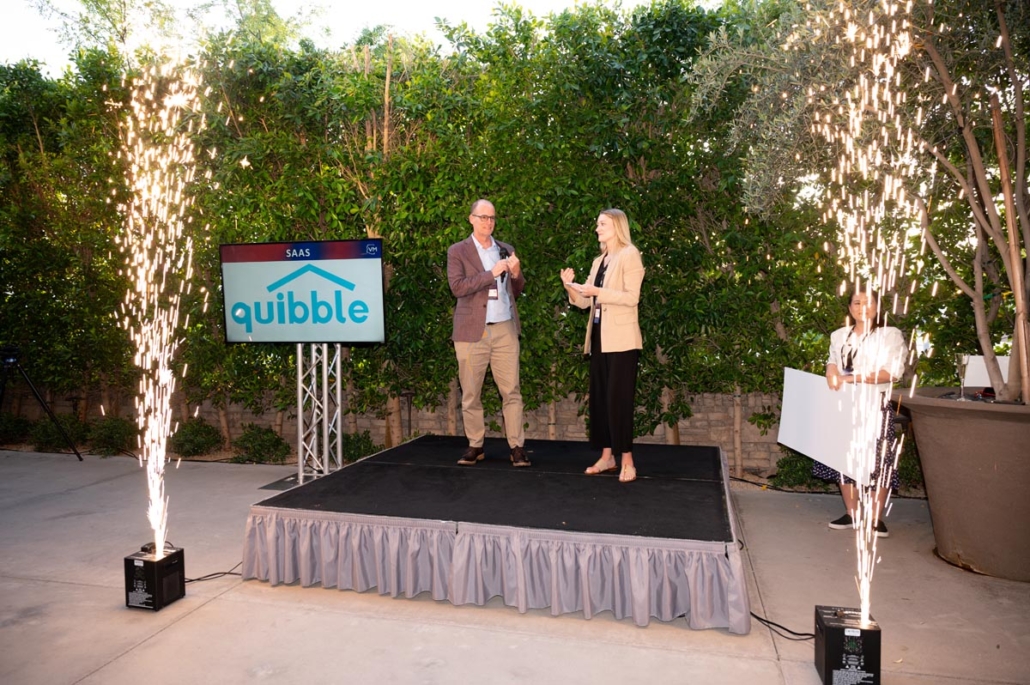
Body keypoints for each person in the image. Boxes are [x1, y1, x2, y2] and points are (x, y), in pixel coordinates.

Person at [561, 208, 645, 483]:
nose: (597, 228)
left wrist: (598, 292)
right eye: (597, 224)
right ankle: (607, 456)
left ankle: (627, 460)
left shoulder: (629, 254)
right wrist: (570, 286)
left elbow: (632, 297)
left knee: (619, 400)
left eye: (602, 224)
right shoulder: (599, 261)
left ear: (617, 226)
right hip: (599, 338)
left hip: (622, 340)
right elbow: (585, 302)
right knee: (600, 399)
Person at [815, 287, 906, 538]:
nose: (862, 307)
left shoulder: (889, 335)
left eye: (868, 302)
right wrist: (831, 369)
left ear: (877, 307)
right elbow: (833, 361)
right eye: (856, 302)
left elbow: (891, 373)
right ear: (849, 308)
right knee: (843, 460)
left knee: (879, 462)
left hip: (874, 404)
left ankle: (875, 519)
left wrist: (850, 379)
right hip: (843, 405)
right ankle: (852, 513)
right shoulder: (839, 335)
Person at [447, 199, 529, 467]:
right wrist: (490, 273)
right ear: (471, 219)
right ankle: (475, 445)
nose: (488, 222)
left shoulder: (505, 249)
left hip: (505, 328)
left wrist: (516, 274)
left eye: (492, 218)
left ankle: (517, 447)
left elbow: (516, 290)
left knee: (512, 391)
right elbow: (457, 287)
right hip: (472, 331)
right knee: (471, 393)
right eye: (483, 217)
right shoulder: (458, 251)